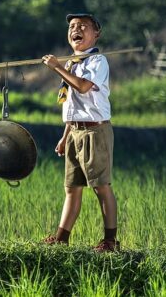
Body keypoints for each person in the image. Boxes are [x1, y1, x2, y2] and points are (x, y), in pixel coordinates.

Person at [40, 13, 119, 252]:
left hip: (95, 132)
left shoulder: (98, 62)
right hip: (75, 131)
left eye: (83, 26)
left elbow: (83, 87)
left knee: (100, 186)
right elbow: (71, 104)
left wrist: (56, 68)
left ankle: (110, 241)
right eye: (73, 26)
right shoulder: (71, 63)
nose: (77, 29)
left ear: (96, 34)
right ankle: (61, 238)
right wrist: (65, 137)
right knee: (72, 188)